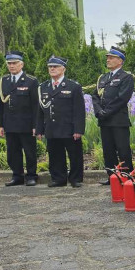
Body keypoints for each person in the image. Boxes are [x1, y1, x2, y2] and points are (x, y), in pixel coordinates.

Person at [36, 56, 86, 188]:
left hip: (69, 127)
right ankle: (58, 178)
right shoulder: (43, 87)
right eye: (50, 67)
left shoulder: (73, 86)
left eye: (55, 66)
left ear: (63, 68)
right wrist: (39, 129)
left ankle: (76, 179)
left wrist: (78, 129)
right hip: (52, 127)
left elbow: (79, 110)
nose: (52, 69)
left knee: (74, 155)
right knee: (55, 155)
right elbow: (40, 111)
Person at [0, 51, 40, 187]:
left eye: (14, 63)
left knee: (30, 152)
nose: (11, 66)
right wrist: (0, 124)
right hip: (10, 124)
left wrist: (36, 125)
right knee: (12, 153)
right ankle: (17, 176)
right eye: (9, 63)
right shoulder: (4, 81)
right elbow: (0, 105)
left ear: (22, 64)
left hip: (26, 124)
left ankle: (32, 176)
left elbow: (36, 106)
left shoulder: (31, 81)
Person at [94, 47, 134, 180]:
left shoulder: (126, 77)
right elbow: (95, 97)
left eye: (111, 58)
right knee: (108, 151)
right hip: (104, 121)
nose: (108, 60)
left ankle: (127, 177)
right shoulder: (103, 78)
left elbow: (122, 98)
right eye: (107, 57)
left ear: (120, 61)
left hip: (118, 120)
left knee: (123, 150)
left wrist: (106, 111)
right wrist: (99, 111)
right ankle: (112, 177)